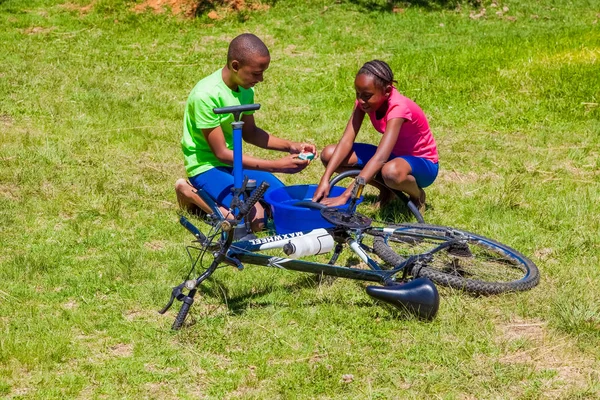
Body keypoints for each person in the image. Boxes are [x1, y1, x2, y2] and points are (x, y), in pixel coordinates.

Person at [175, 33, 317, 231]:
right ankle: (189, 193)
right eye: (256, 73)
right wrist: (276, 166)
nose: (261, 79)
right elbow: (221, 154)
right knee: (253, 222)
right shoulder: (205, 95)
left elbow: (250, 133)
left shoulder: (245, 89)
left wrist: (290, 146)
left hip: (235, 164)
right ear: (235, 66)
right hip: (207, 166)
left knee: (281, 202)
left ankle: (234, 204)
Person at [311, 60, 438, 212]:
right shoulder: (364, 102)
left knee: (391, 172)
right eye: (357, 94)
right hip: (393, 156)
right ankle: (387, 190)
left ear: (387, 91)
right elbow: (346, 141)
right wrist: (325, 180)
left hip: (423, 164)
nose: (360, 100)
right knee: (329, 155)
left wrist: (346, 195)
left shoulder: (398, 108)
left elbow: (380, 158)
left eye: (367, 96)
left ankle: (417, 195)